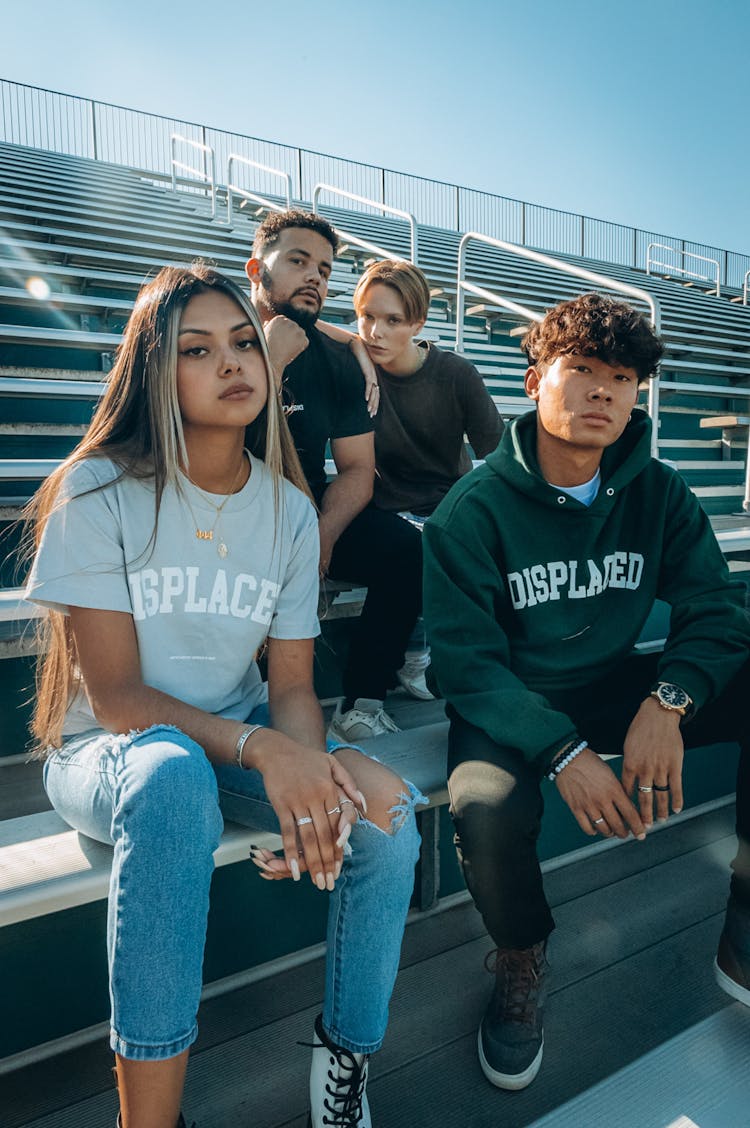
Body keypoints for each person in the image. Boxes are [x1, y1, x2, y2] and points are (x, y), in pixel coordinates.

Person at [23, 263, 424, 1128]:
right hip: (109, 749)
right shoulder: (97, 488)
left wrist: (308, 776)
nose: (233, 363)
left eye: (245, 343)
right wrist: (265, 755)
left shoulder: (285, 510)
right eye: (197, 349)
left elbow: (289, 689)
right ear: (154, 370)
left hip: (238, 735)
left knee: (387, 814)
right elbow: (122, 698)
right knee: (171, 778)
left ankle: (346, 1062)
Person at [422, 292, 750, 1093]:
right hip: (510, 699)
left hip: (610, 684)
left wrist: (667, 701)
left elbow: (715, 605)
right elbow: (466, 666)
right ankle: (522, 953)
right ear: (536, 380)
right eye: (582, 370)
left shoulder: (658, 491)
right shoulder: (470, 510)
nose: (604, 390)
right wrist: (563, 750)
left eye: (623, 375)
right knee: (487, 804)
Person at [244, 211, 427, 741]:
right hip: (227, 506)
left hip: (304, 504)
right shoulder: (220, 341)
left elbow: (356, 471)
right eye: (298, 261)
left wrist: (319, 538)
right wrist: (271, 362)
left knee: (406, 549)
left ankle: (363, 702)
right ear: (257, 268)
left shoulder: (338, 358)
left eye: (324, 270)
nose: (314, 278)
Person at [319, 258, 504, 695]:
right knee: (410, 549)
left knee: (452, 544)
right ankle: (394, 669)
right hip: (383, 510)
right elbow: (298, 324)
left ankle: (430, 652)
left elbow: (497, 458)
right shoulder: (356, 369)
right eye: (366, 316)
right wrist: (354, 346)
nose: (375, 332)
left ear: (418, 322)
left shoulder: (455, 375)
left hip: (446, 510)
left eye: (393, 320)